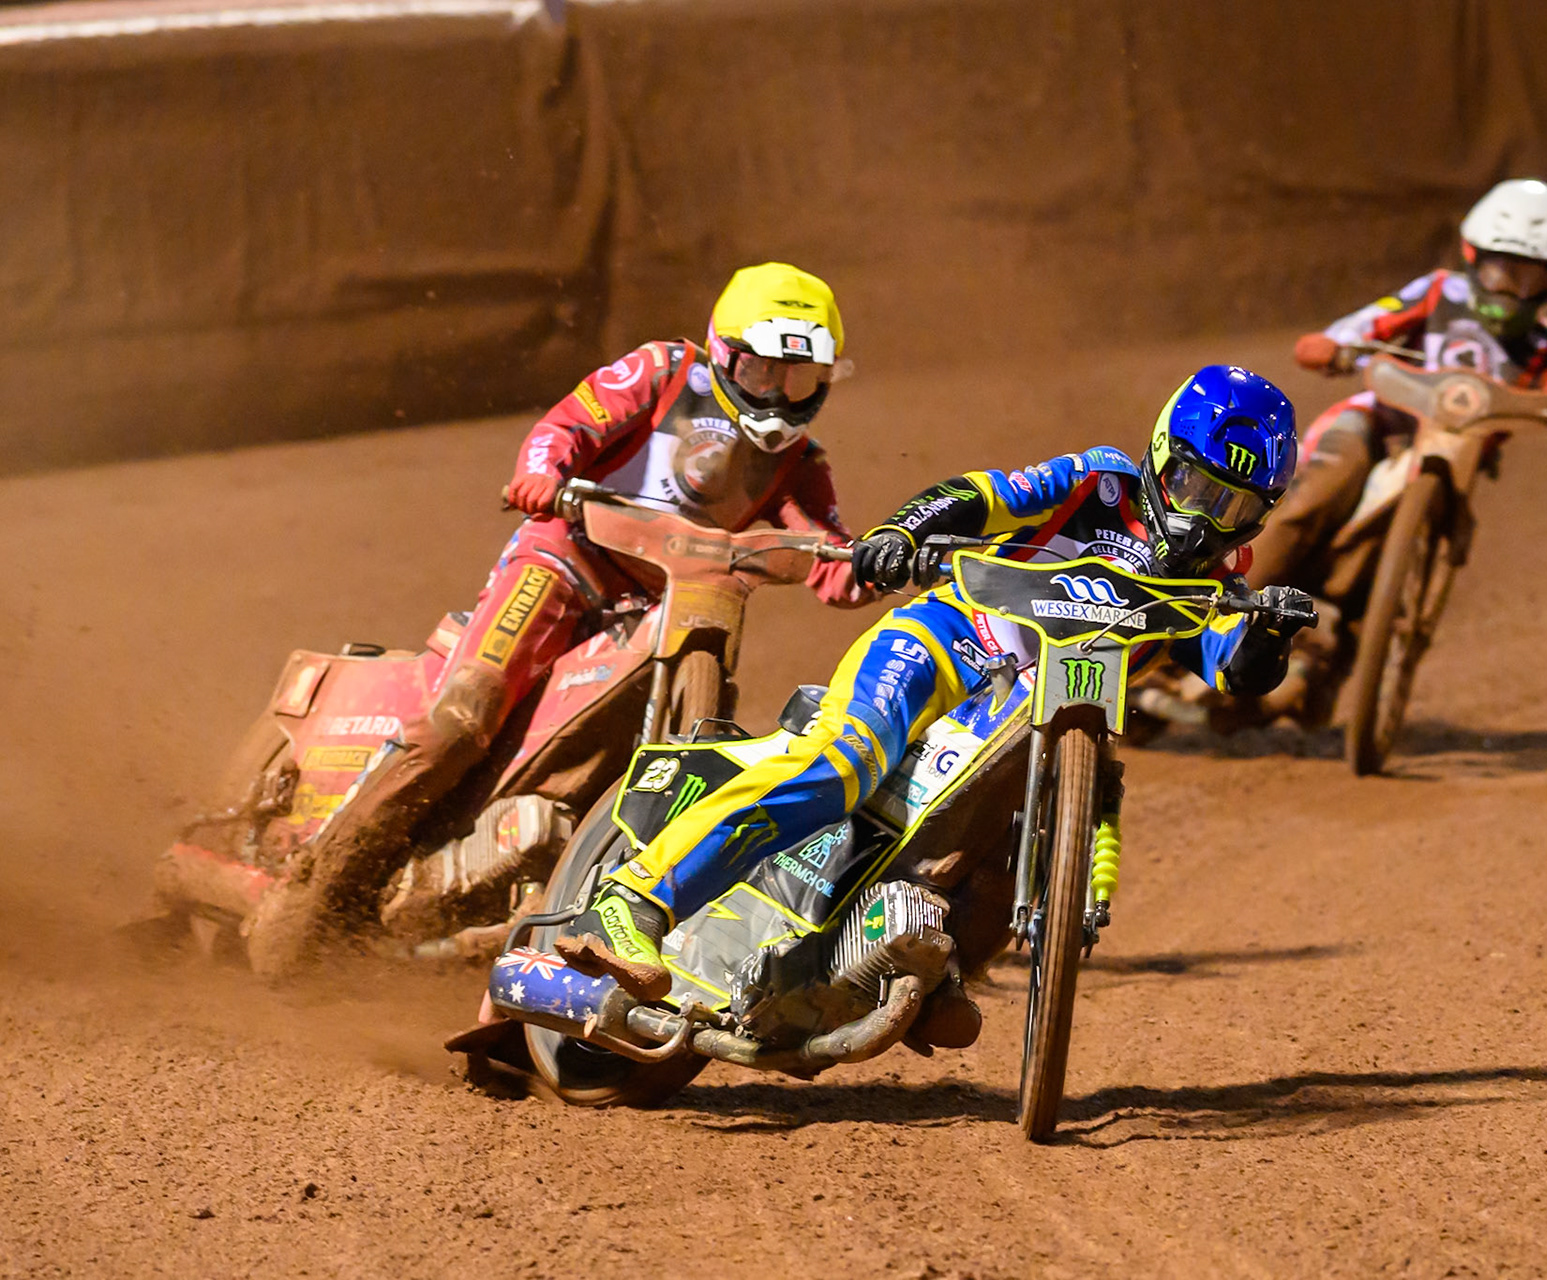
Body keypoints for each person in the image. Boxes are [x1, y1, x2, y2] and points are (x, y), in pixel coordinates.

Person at [553, 364, 1310, 1040]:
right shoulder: (1098, 483)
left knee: (1033, 838)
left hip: (1041, 717)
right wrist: (899, 534)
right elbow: (982, 498)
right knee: (844, 761)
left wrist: (1270, 632)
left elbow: (1233, 669)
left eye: (1236, 508)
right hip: (946, 641)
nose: (1206, 519)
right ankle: (636, 901)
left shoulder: (1217, 582)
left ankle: (910, 962)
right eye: (1195, 488)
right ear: (1159, 458)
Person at [246, 262, 871, 975]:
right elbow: (569, 425)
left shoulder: (801, 466)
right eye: (763, 372)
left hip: (664, 609)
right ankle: (321, 887)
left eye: (798, 380)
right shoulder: (664, 373)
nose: (778, 397)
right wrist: (544, 472)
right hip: (564, 562)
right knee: (465, 714)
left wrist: (886, 562)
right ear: (724, 353)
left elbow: (830, 556)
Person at [1247, 178, 1547, 596]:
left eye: (1527, 280)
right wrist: (1336, 346)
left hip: (1455, 464)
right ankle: (1216, 616)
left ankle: (1345, 643)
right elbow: (1370, 324)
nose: (1511, 290)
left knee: (1409, 559)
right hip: (1378, 424)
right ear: (1474, 258)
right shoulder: (1437, 292)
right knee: (1315, 500)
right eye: (1500, 272)